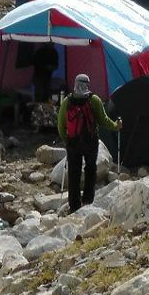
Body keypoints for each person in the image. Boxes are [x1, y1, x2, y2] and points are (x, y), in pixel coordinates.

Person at [57, 74, 121, 214]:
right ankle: (88, 200)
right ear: (88, 84)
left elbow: (61, 126)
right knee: (90, 170)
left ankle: (74, 205)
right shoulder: (94, 100)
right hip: (90, 141)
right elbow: (104, 120)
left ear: (75, 84)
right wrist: (116, 126)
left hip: (73, 142)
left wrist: (67, 140)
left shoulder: (67, 101)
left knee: (73, 173)